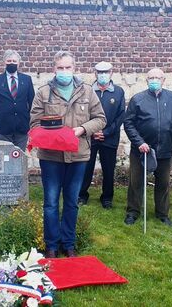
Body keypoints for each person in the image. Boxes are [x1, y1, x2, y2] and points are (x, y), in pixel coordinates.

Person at [30, 51, 106, 258]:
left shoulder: (87, 92)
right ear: (54, 69)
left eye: (68, 67)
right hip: (51, 157)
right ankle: (52, 246)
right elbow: (35, 123)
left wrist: (82, 128)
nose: (64, 72)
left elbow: (100, 119)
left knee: (72, 201)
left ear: (74, 68)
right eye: (60, 68)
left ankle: (68, 243)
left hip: (78, 155)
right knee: (51, 202)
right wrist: (51, 134)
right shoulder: (44, 93)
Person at [123, 68, 172, 227]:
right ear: (146, 80)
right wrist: (139, 142)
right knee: (136, 182)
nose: (154, 80)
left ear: (164, 80)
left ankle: (162, 214)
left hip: (164, 149)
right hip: (142, 150)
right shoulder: (138, 99)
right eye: (151, 77)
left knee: (163, 183)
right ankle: (133, 212)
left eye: (158, 77)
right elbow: (128, 124)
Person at [78, 61, 125, 209]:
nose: (103, 75)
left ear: (111, 73)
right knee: (86, 168)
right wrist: (91, 130)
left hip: (109, 138)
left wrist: (106, 132)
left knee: (109, 169)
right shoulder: (87, 90)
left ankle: (107, 198)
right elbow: (81, 113)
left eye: (106, 72)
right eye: (100, 72)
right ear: (95, 73)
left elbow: (120, 116)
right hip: (89, 137)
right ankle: (82, 195)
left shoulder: (118, 92)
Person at [0, 50, 35, 151]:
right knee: (5, 158)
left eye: (14, 61)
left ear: (19, 63)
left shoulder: (27, 79)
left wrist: (33, 125)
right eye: (9, 61)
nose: (12, 63)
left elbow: (32, 103)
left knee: (19, 157)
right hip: (3, 127)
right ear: (4, 62)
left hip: (22, 127)